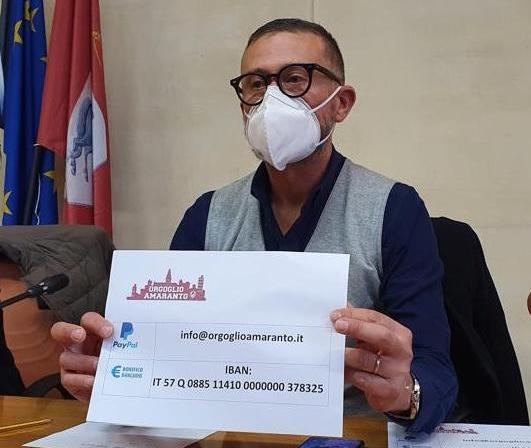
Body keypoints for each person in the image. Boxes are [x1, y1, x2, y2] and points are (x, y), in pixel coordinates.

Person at [51, 18, 457, 433]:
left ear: (342, 103)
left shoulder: (393, 209)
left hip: (348, 433)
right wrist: (114, 374)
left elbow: (435, 371)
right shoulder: (207, 216)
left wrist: (407, 392)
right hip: (226, 436)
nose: (272, 99)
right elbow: (172, 361)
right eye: (256, 84)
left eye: (295, 78)